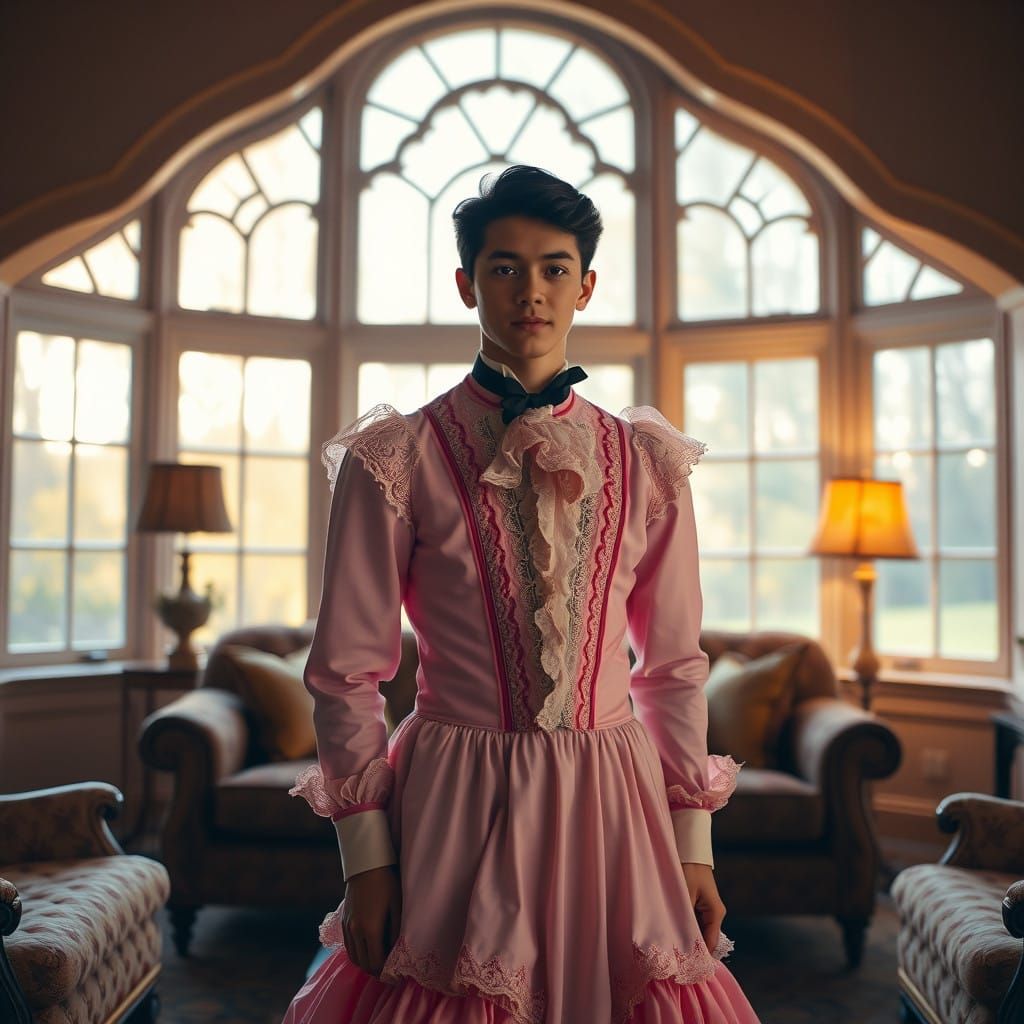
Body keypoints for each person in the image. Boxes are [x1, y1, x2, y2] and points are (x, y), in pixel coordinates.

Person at [282, 165, 761, 1023]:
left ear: (585, 285)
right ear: (467, 283)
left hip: (615, 807)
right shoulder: (396, 457)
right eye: (503, 268)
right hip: (454, 804)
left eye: (551, 268)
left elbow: (674, 666)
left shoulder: (648, 463)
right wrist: (367, 859)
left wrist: (695, 844)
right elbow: (345, 673)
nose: (529, 291)